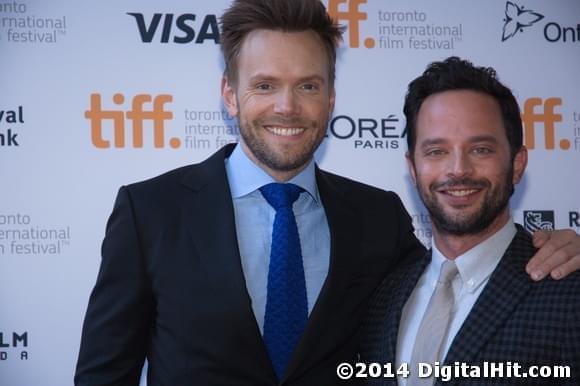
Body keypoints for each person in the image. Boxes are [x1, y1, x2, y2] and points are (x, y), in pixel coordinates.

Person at [75, 2, 580, 385]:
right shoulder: (151, 212)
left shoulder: (377, 216)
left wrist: (561, 244)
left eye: (309, 87)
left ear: (332, 97)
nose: (288, 107)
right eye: (265, 85)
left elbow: (461, 270)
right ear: (230, 94)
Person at [360, 57, 580, 385]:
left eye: (480, 149)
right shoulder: (383, 297)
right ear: (413, 168)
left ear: (517, 164)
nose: (458, 169)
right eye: (436, 151)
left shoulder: (568, 293)